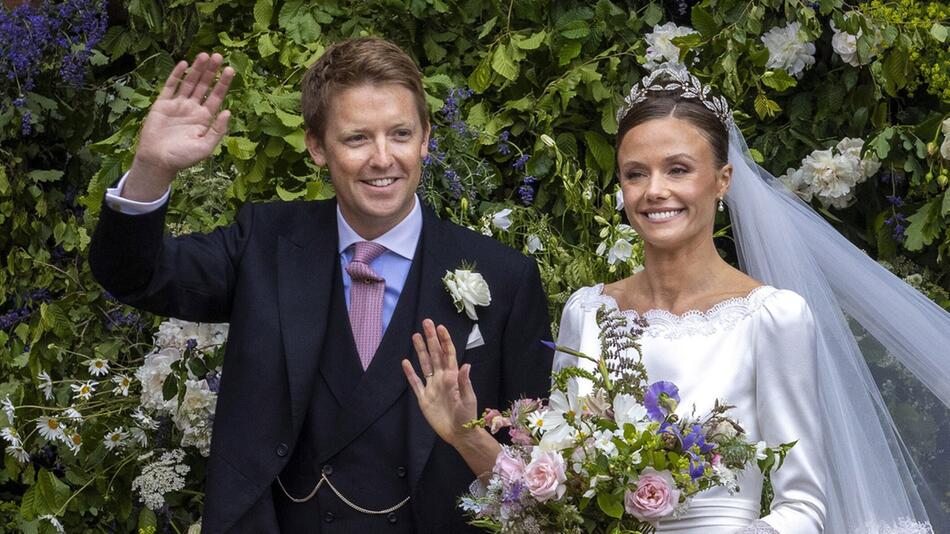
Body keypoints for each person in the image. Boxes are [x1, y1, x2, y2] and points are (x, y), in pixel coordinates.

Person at [88, 37, 553, 533]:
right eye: (356, 139)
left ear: (425, 139)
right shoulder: (263, 244)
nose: (382, 158)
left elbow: (530, 456)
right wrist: (152, 169)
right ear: (316, 146)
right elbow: (135, 276)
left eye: (399, 134)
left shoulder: (506, 278)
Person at [554, 64, 948, 533]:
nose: (655, 190)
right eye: (636, 173)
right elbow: (562, 479)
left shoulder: (770, 317)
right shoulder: (587, 313)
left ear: (722, 180)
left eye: (678, 169)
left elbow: (802, 505)